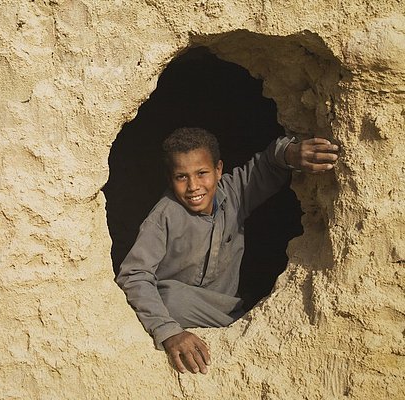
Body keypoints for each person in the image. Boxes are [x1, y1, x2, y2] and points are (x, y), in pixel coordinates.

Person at [115, 127, 340, 375]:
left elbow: (267, 164)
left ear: (219, 170)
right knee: (168, 297)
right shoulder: (163, 216)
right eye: (182, 177)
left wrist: (290, 153)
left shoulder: (233, 194)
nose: (193, 186)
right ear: (170, 179)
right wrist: (170, 332)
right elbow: (134, 274)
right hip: (179, 308)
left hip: (228, 310)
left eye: (202, 173)